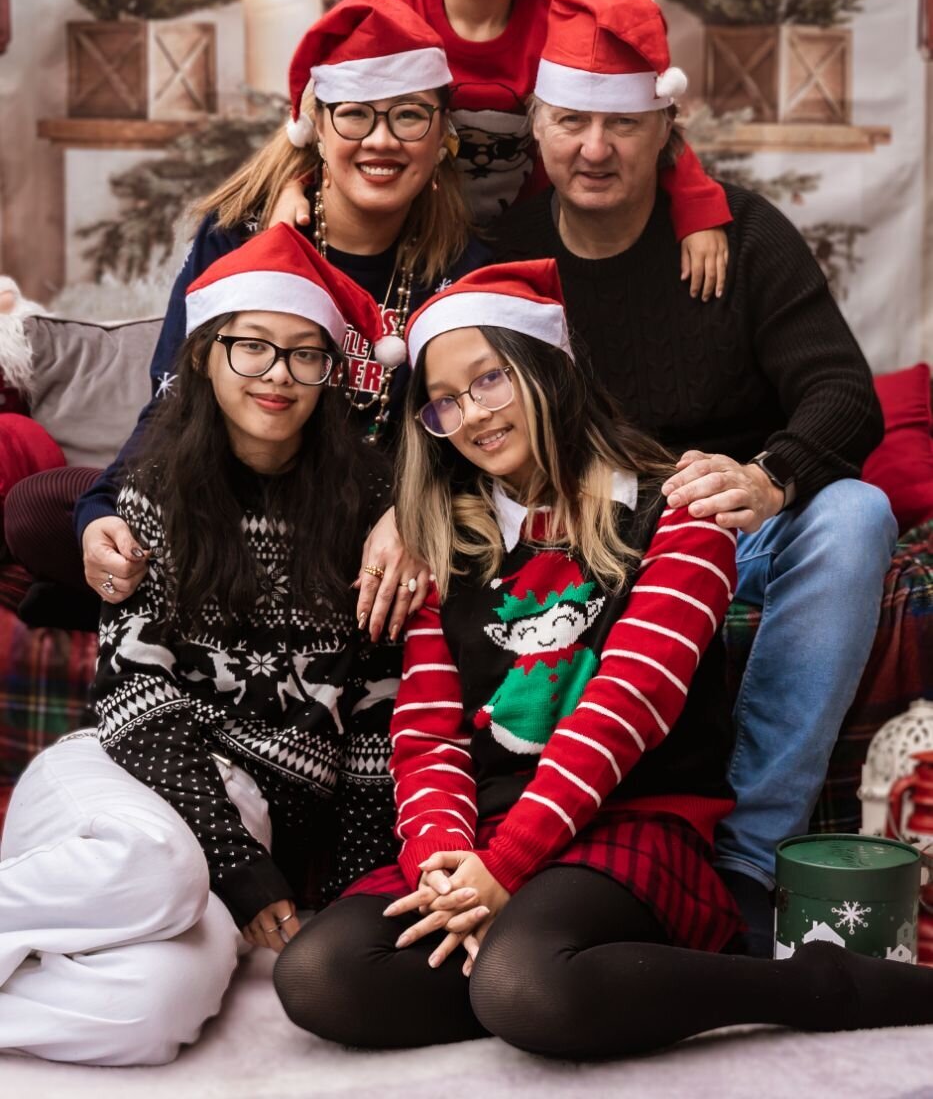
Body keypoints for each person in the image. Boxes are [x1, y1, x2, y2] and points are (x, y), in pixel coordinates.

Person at [272, 262, 933, 1056]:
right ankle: (576, 974)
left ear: (547, 369)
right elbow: (428, 737)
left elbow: (627, 706)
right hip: (488, 825)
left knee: (526, 985)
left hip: (629, 814)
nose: (472, 415)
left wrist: (507, 869)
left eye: (489, 380)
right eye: (445, 402)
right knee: (321, 975)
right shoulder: (443, 546)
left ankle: (828, 985)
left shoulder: (676, 511)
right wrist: (445, 864)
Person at [486, 0, 898, 953]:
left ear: (665, 129)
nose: (595, 148)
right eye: (573, 121)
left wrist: (768, 478)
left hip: (735, 522)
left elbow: (845, 393)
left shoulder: (742, 236)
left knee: (858, 513)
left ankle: (750, 866)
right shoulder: (504, 257)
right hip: (594, 544)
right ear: (538, 128)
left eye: (623, 125)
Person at [0, 225, 401, 1065]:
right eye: (252, 348)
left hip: (235, 833)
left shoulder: (372, 508)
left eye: (303, 354)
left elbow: (373, 721)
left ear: (331, 373)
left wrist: (358, 892)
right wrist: (246, 873)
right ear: (207, 357)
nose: (278, 376)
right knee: (158, 868)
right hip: (121, 778)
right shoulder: (154, 492)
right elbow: (138, 703)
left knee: (154, 1012)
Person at [7, 0, 486, 640]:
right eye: (354, 115)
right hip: (224, 505)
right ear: (316, 125)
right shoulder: (236, 237)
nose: (381, 140)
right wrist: (98, 514)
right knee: (45, 508)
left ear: (441, 136)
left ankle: (189, 616)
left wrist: (413, 514)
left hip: (361, 521)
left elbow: (477, 433)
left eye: (408, 116)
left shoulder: (463, 271)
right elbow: (174, 399)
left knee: (467, 554)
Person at [273, 0, 731, 299]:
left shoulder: (564, 27)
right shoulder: (396, 19)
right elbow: (329, 117)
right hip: (415, 237)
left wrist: (698, 208)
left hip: (532, 240)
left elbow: (639, 117)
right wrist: (294, 184)